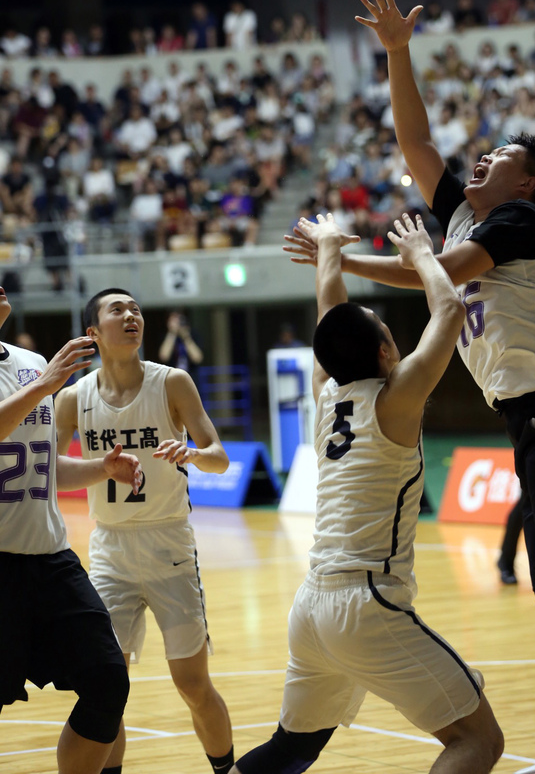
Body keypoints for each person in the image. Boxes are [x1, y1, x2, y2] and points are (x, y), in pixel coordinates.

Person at [287, 0, 535, 773]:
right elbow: (416, 141)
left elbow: (443, 275)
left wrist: (340, 257)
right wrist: (397, 53)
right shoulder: (463, 209)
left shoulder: (519, 223)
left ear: (524, 184)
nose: (485, 156)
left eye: (504, 158)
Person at [234, 212, 503, 774]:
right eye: (387, 333)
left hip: (311, 608)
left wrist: (330, 248)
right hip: (367, 604)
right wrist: (421, 254)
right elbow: (450, 309)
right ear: (385, 353)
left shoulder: (326, 396)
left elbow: (330, 315)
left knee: (291, 750)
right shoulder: (396, 396)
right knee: (479, 740)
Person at [55, 288, 235, 774]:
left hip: (169, 544)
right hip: (110, 549)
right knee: (107, 690)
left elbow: (219, 455)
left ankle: (226, 770)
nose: (131, 315)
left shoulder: (172, 382)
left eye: (135, 309)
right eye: (118, 310)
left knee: (193, 686)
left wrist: (195, 455)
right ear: (93, 332)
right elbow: (46, 464)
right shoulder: (74, 397)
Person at [0, 285, 143, 774]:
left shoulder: (32, 361)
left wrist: (102, 468)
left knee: (108, 681)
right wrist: (45, 387)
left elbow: (44, 466)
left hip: (50, 558)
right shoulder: (45, 377)